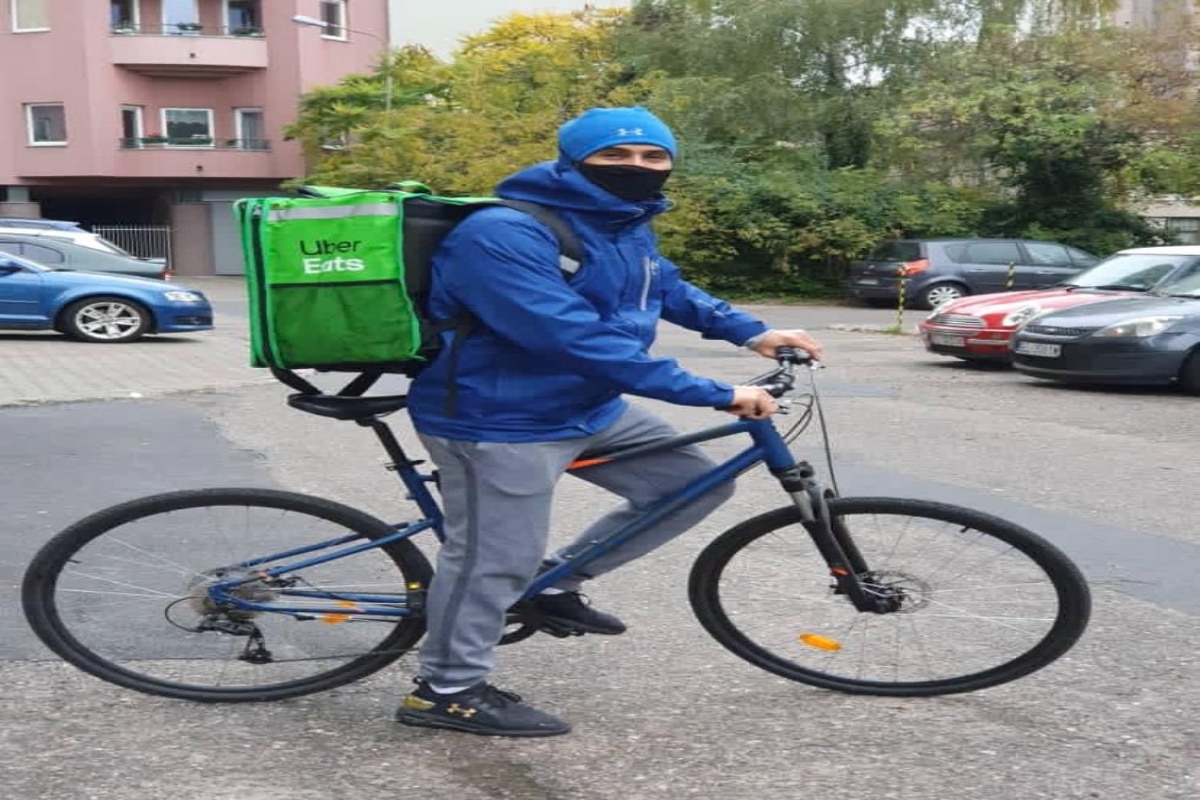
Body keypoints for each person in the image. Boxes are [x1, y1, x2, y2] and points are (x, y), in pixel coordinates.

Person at [396, 106, 824, 737]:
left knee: (688, 482)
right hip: (498, 417)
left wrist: (754, 332)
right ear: (574, 160)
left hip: (586, 407)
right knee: (490, 559)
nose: (637, 167)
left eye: (653, 157)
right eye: (615, 156)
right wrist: (712, 392)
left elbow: (668, 290)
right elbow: (569, 337)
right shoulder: (502, 233)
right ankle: (445, 689)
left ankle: (548, 582)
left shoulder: (622, 222)